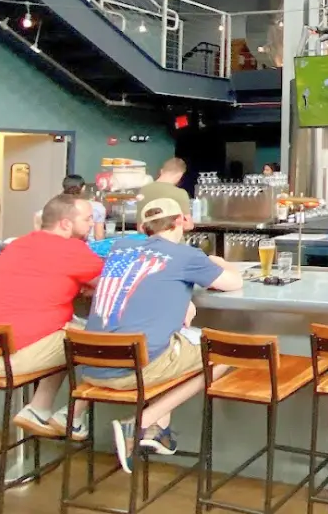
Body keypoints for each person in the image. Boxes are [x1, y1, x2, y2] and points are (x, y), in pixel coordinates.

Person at [83, 197, 243, 473]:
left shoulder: (120, 247)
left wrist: (182, 303)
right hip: (133, 368)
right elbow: (233, 282)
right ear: (180, 220)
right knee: (223, 352)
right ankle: (143, 421)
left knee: (174, 338)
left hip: (87, 365)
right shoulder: (187, 256)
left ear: (142, 226)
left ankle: (159, 431)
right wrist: (216, 261)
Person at [0, 195, 103, 439]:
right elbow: (111, 283)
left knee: (66, 330)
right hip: (7, 360)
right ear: (66, 224)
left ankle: (39, 409)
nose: (92, 223)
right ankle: (73, 416)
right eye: (88, 219)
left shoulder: (18, 244)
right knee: (98, 341)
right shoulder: (71, 249)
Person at [33, 175, 107, 240]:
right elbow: (99, 236)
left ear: (64, 187)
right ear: (83, 188)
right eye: (87, 219)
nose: (91, 223)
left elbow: (40, 236)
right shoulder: (97, 208)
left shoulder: (51, 208)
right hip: (86, 249)